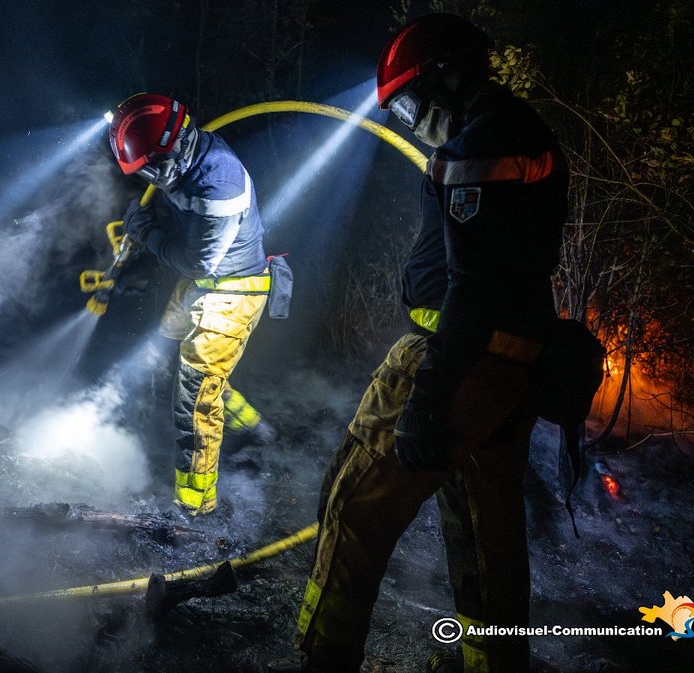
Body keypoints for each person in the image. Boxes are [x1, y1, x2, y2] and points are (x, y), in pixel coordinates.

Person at [274, 14, 569, 673]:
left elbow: (472, 281)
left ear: (445, 79)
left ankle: (324, 657)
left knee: (353, 510)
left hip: (456, 364)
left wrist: (429, 396)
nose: (408, 120)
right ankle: (488, 663)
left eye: (408, 102)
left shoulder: (480, 140)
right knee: (485, 535)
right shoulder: (520, 128)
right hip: (511, 370)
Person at [107, 93, 276, 517]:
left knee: (194, 399)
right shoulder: (180, 158)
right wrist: (144, 223)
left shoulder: (219, 184)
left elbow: (196, 260)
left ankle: (195, 509)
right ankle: (253, 427)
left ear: (175, 148)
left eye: (151, 168)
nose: (149, 178)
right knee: (174, 363)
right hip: (204, 282)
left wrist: (146, 234)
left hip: (232, 291)